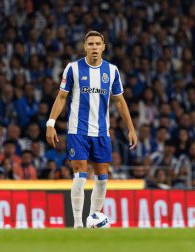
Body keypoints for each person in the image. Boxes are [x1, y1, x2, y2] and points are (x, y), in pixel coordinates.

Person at [46, 31, 137, 228]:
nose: (94, 47)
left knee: (102, 177)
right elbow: (62, 97)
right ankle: (78, 224)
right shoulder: (73, 69)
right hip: (77, 131)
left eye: (98, 44)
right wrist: (51, 123)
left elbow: (120, 102)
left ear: (103, 47)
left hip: (102, 133)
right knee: (80, 172)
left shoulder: (112, 71)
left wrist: (131, 128)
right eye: (90, 44)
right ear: (85, 47)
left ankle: (93, 220)